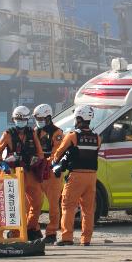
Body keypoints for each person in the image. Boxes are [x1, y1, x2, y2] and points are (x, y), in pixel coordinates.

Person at [0, 104, 47, 241]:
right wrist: (2, 163)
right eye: (18, 118)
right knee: (17, 205)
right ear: (13, 119)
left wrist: (37, 161)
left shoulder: (32, 133)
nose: (20, 120)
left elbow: (40, 153)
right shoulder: (8, 134)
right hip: (14, 173)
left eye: (22, 118)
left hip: (30, 172)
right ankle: (16, 233)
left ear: (27, 119)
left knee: (38, 202)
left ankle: (30, 228)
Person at [52, 105, 102, 246]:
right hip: (92, 177)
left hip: (76, 176)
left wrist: (56, 163)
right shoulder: (97, 138)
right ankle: (86, 240)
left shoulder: (73, 135)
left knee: (68, 206)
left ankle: (67, 238)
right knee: (88, 210)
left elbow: (59, 153)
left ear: (79, 119)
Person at [32, 103, 64, 243]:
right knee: (34, 203)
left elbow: (58, 152)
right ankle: (33, 229)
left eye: (41, 118)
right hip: (37, 171)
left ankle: (51, 233)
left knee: (53, 205)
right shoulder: (35, 131)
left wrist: (45, 161)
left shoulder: (57, 133)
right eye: (37, 118)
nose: (39, 121)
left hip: (51, 172)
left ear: (49, 117)